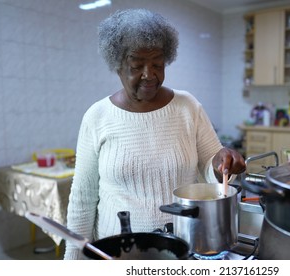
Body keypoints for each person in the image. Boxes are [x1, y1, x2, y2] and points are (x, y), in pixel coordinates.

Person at [63, 8, 246, 260]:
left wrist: (221, 164)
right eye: (137, 65)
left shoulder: (188, 106)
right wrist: (72, 263)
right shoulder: (97, 116)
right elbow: (82, 200)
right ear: (117, 65)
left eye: (158, 64)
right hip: (118, 253)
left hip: (182, 248)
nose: (149, 74)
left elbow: (212, 171)